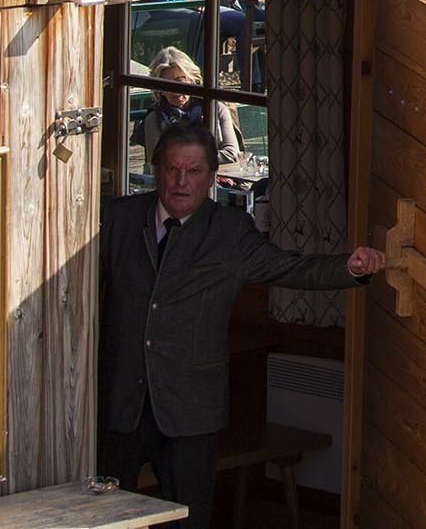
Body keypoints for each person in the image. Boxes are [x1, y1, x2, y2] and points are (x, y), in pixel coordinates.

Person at [99, 123, 384, 523]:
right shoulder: (119, 218)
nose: (182, 181)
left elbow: (290, 268)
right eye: (172, 169)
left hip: (190, 409)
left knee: (188, 518)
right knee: (105, 518)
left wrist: (349, 269)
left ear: (212, 178)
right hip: (120, 403)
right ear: (156, 169)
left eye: (194, 172)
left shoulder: (229, 232)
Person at [132, 46, 244, 166]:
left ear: (192, 80)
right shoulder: (154, 119)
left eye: (180, 81)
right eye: (166, 84)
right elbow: (158, 163)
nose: (175, 90)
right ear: (159, 90)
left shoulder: (216, 109)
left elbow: (232, 154)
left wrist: (184, 160)